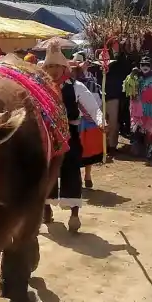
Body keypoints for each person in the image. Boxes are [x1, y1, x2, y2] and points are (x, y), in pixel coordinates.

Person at [42, 41, 92, 233]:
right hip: (47, 137)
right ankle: (46, 208)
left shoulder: (76, 87)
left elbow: (92, 106)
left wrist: (101, 120)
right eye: (49, 66)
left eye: (56, 66)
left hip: (70, 136)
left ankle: (74, 214)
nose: (53, 70)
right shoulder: (41, 87)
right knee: (46, 173)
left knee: (72, 172)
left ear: (64, 67)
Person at [70, 59, 105, 189]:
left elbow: (98, 104)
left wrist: (99, 119)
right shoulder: (62, 85)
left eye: (74, 70)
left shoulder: (92, 85)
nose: (71, 73)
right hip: (73, 123)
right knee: (75, 151)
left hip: (88, 123)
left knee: (88, 150)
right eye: (69, 70)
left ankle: (88, 175)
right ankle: (78, 176)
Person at [128, 55, 152, 165]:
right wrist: (131, 75)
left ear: (151, 66)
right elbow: (128, 90)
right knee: (137, 131)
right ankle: (138, 149)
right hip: (138, 111)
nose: (145, 67)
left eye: (147, 65)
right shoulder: (135, 77)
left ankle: (151, 152)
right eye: (142, 64)